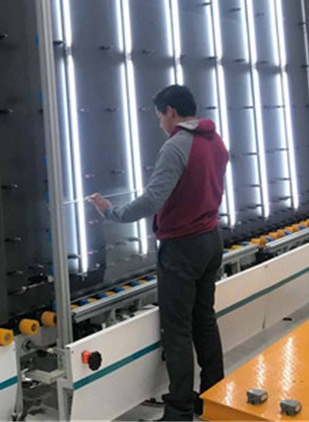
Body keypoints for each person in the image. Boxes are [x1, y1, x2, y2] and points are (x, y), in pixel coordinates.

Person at [87, 84, 228, 421]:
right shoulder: (215, 140)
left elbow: (153, 199)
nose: (160, 124)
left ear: (171, 112)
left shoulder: (177, 145)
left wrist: (111, 212)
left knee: (177, 330)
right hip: (211, 238)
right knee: (204, 319)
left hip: (183, 247)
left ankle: (179, 410)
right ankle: (214, 397)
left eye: (159, 117)